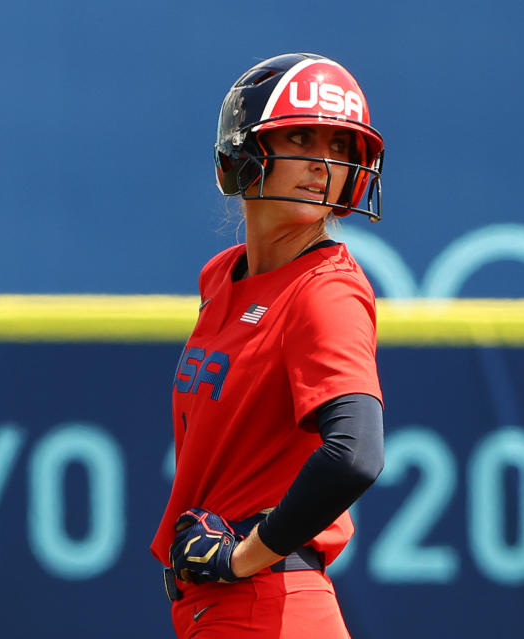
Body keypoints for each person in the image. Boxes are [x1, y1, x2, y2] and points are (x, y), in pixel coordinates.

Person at [150, 52, 386, 638]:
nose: (322, 164)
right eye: (301, 138)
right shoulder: (221, 276)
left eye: (339, 147)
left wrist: (242, 558)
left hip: (268, 605)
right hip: (225, 611)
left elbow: (356, 454)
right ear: (245, 153)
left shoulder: (325, 291)